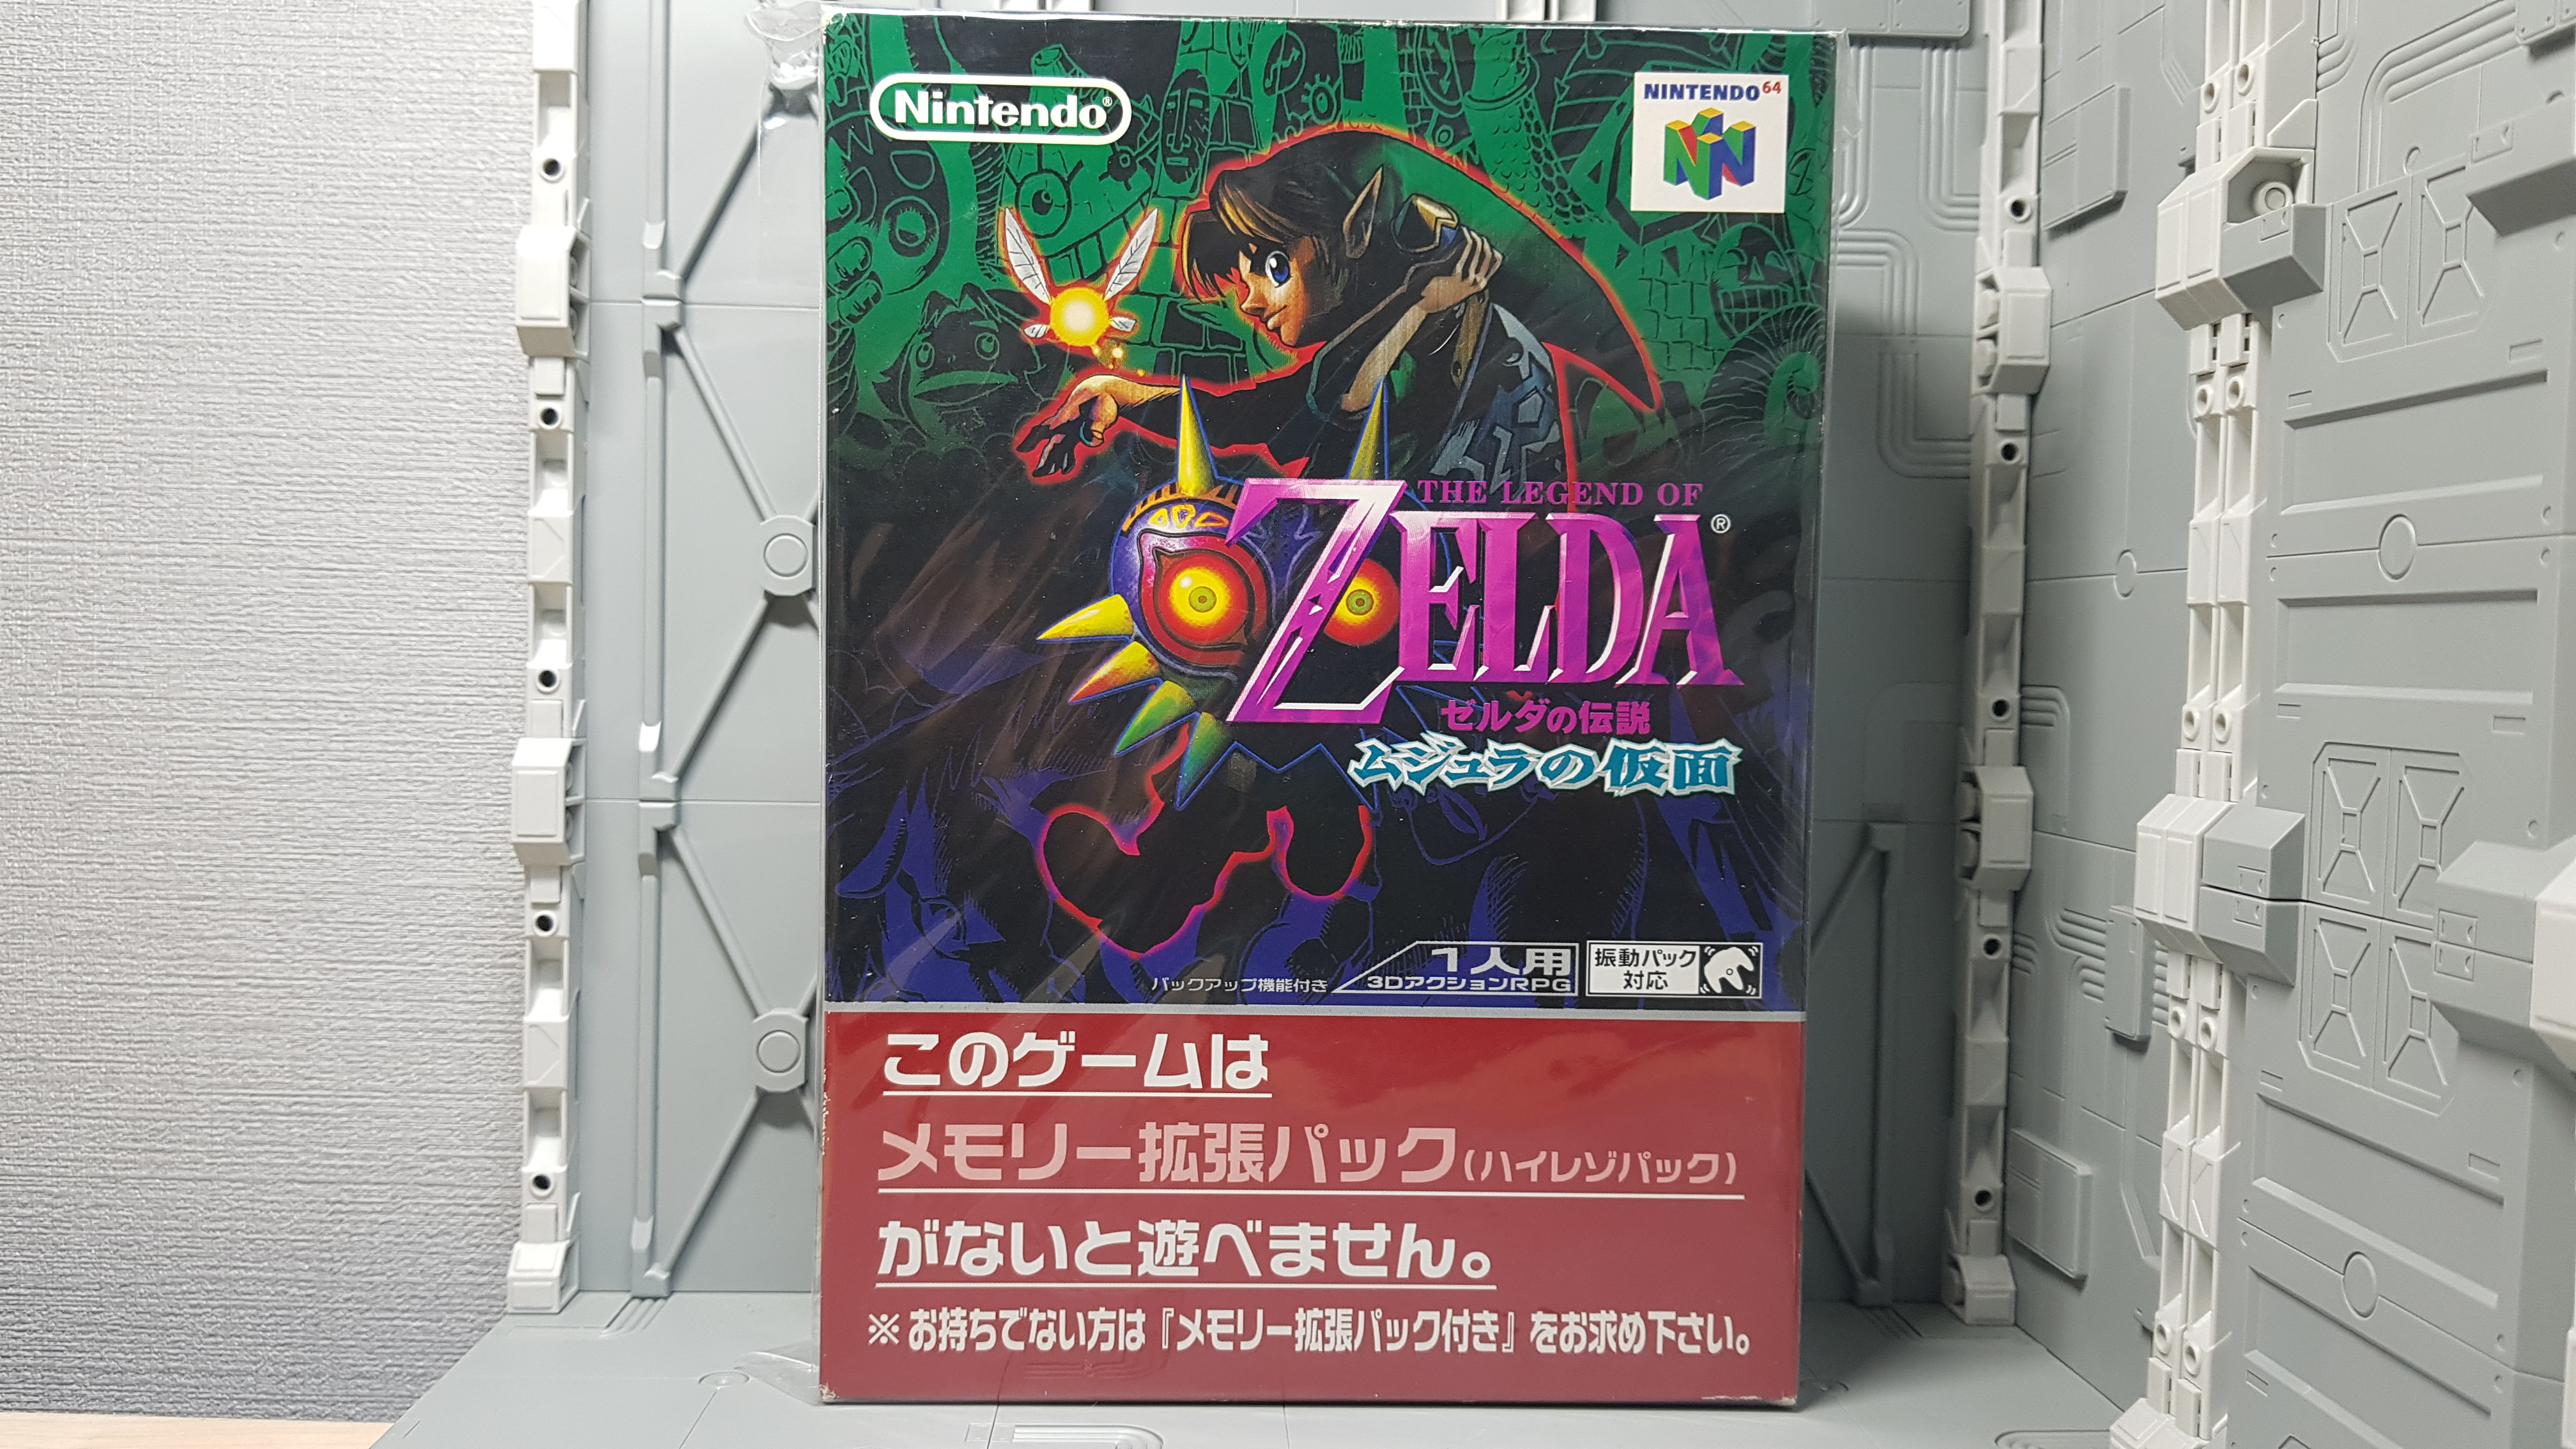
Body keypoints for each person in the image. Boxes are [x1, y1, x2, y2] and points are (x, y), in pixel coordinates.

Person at [1016, 128, 1568, 484]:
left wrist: (1421, 302)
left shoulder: (1463, 334)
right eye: (1242, 283)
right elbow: (1254, 413)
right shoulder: (1393, 333)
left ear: (1357, 228)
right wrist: (1123, 393)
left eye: (1274, 266)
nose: (1252, 302)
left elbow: (1346, 396)